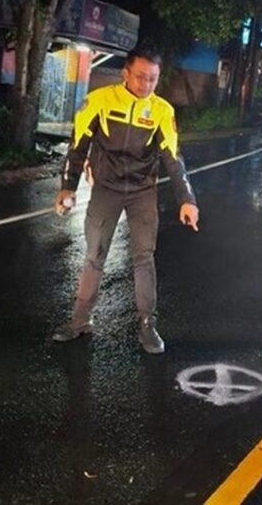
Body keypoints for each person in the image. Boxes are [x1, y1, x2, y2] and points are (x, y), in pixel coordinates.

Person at [51, 48, 199, 354]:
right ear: (125, 73)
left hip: (143, 192)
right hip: (106, 189)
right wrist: (67, 187)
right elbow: (78, 146)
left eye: (153, 79)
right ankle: (79, 321)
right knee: (94, 255)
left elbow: (174, 158)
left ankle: (147, 325)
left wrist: (187, 199)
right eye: (141, 77)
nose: (147, 85)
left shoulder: (162, 110)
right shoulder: (99, 100)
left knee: (144, 257)